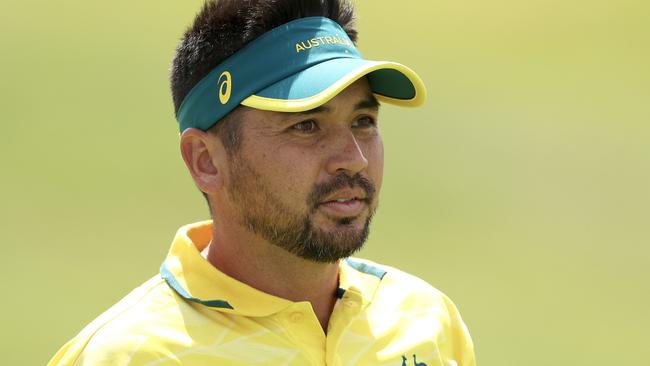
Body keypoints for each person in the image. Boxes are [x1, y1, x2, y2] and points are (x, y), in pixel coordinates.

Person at [48, 0, 476, 365]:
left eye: (363, 121)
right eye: (306, 126)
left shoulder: (427, 320)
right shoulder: (126, 355)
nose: (354, 159)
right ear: (206, 161)